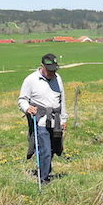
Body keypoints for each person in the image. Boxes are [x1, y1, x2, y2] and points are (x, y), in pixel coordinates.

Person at [18, 53, 67, 184]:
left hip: (55, 120)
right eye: (50, 70)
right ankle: (43, 179)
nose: (53, 73)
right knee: (44, 148)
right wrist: (27, 108)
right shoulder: (31, 80)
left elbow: (62, 100)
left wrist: (64, 119)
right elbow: (22, 100)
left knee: (52, 149)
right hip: (39, 120)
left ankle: (46, 171)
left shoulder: (58, 79)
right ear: (42, 67)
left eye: (54, 70)